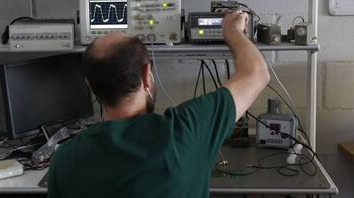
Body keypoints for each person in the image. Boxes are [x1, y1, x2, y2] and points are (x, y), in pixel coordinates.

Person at [48, 11, 270, 198]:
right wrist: (232, 31)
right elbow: (257, 73)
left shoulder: (64, 159)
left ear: (90, 86)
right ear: (147, 75)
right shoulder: (186, 130)